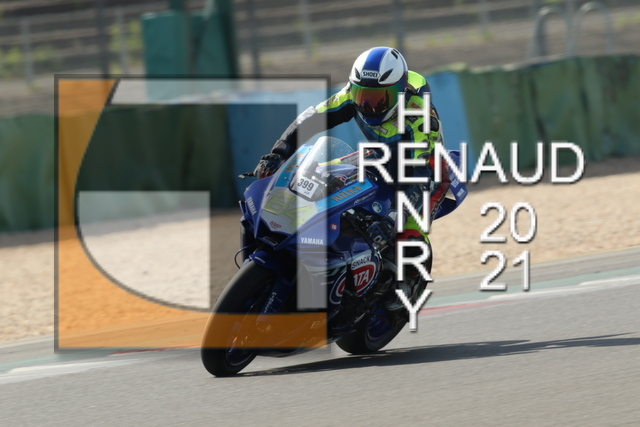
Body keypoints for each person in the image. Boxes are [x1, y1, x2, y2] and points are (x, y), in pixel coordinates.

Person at [253, 46, 451, 300]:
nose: (369, 106)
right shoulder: (349, 95)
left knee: (409, 241)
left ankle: (405, 289)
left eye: (380, 98)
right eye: (362, 96)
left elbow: (419, 179)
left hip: (426, 171)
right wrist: (279, 152)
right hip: (379, 155)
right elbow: (312, 118)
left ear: (400, 93)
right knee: (321, 177)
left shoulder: (419, 118)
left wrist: (393, 221)